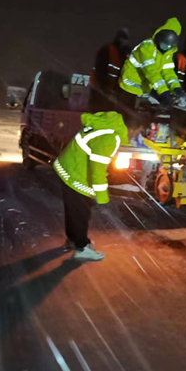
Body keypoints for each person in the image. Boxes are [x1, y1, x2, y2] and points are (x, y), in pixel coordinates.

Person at [53, 111, 144, 261]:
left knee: (74, 210)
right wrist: (101, 195)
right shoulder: (110, 137)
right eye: (138, 132)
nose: (136, 136)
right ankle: (81, 248)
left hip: (69, 167)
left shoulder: (107, 125)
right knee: (81, 212)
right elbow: (98, 169)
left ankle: (73, 240)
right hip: (75, 172)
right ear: (132, 129)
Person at [118, 18, 186, 109]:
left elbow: (168, 72)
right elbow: (151, 71)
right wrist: (164, 91)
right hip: (130, 86)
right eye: (163, 45)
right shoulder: (147, 47)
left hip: (146, 87)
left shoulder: (167, 52)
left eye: (167, 47)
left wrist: (177, 88)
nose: (164, 49)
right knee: (128, 116)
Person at [89, 28, 131, 111]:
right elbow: (101, 70)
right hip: (99, 88)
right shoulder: (107, 50)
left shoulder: (124, 53)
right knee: (98, 110)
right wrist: (105, 88)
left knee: (108, 111)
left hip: (110, 90)